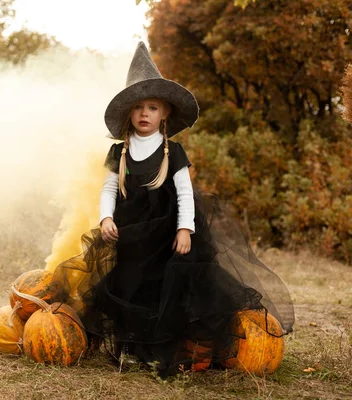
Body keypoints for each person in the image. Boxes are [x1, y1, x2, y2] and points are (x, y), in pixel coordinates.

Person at [54, 42, 294, 378]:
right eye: (137, 107)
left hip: (168, 231)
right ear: (128, 114)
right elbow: (109, 188)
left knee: (166, 288)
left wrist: (185, 229)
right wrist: (106, 217)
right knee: (132, 286)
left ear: (165, 112)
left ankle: (167, 349)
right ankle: (135, 350)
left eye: (152, 107)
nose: (144, 114)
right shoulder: (118, 152)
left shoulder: (174, 152)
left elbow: (185, 193)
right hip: (133, 231)